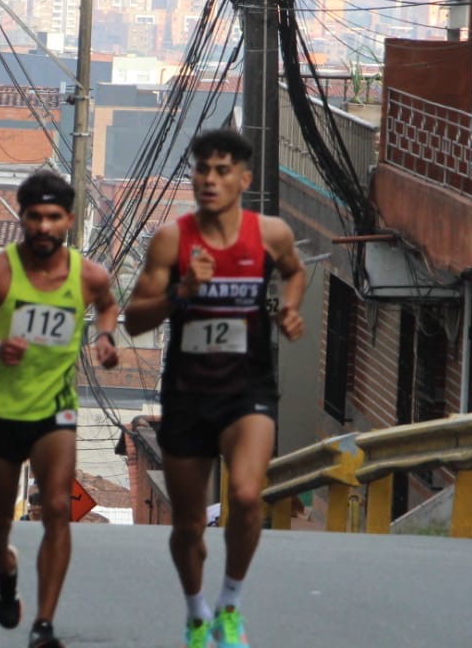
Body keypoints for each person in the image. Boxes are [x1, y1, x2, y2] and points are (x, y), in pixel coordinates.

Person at [121, 128, 307, 648]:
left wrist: (288, 307)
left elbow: (296, 273)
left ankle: (230, 604)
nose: (209, 179)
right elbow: (134, 320)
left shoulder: (270, 234)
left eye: (222, 171)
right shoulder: (171, 240)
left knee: (247, 495)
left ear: (243, 179)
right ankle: (196, 611)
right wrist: (183, 292)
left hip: (248, 389)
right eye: (202, 169)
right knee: (187, 527)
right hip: (187, 393)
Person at [0, 171, 120, 648]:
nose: (44, 226)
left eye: (53, 217)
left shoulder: (88, 275)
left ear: (68, 220)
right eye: (35, 217)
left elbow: (107, 305)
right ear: (22, 218)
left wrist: (105, 337)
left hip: (56, 410)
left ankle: (43, 624)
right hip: (1, 411)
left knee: (58, 510)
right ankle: (5, 565)